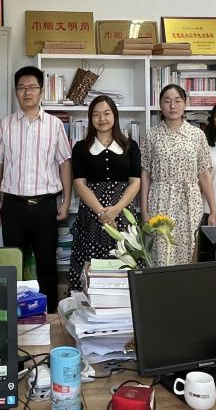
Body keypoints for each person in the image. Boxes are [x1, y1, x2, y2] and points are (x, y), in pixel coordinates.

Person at [0, 66, 72, 312]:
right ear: (16, 91)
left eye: (32, 87)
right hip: (13, 205)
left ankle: (49, 317)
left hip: (45, 205)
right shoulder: (5, 125)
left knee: (47, 265)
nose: (27, 92)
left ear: (41, 91)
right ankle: (15, 317)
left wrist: (66, 201)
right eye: (22, 88)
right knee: (13, 265)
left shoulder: (54, 125)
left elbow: (65, 163)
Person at [68, 95, 141, 291]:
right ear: (90, 118)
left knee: (125, 263)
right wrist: (102, 213)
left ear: (115, 116)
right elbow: (80, 184)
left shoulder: (130, 146)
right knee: (92, 267)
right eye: (96, 114)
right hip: (92, 215)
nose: (102, 119)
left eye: (107, 113)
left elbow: (135, 182)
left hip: (123, 214)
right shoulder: (81, 148)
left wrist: (115, 210)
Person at [140, 84, 216, 266]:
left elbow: (204, 174)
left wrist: (214, 210)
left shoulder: (197, 135)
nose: (172, 106)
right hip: (160, 198)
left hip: (190, 200)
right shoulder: (151, 136)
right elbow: (145, 175)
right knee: (161, 253)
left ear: (185, 103)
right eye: (167, 101)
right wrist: (144, 211)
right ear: (160, 105)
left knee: (189, 252)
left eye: (177, 101)